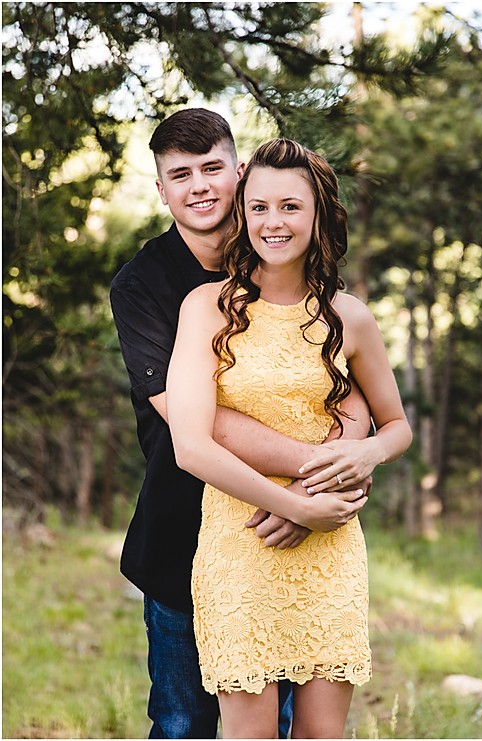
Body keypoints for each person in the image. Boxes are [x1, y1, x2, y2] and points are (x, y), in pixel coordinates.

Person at [110, 109, 374, 738]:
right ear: (161, 189)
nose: (199, 186)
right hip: (185, 528)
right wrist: (311, 482)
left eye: (212, 168)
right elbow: (196, 424)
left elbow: (355, 390)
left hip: (301, 535)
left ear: (239, 172)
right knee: (186, 722)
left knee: (289, 720)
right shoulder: (145, 285)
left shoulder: (289, 256)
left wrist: (317, 491)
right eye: (180, 175)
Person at [167, 137, 412, 737]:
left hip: (332, 550)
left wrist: (367, 452)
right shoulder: (206, 308)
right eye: (259, 207)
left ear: (319, 215)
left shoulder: (349, 316)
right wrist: (297, 506)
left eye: (290, 207)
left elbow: (396, 426)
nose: (273, 223)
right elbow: (190, 445)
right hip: (241, 541)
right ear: (242, 214)